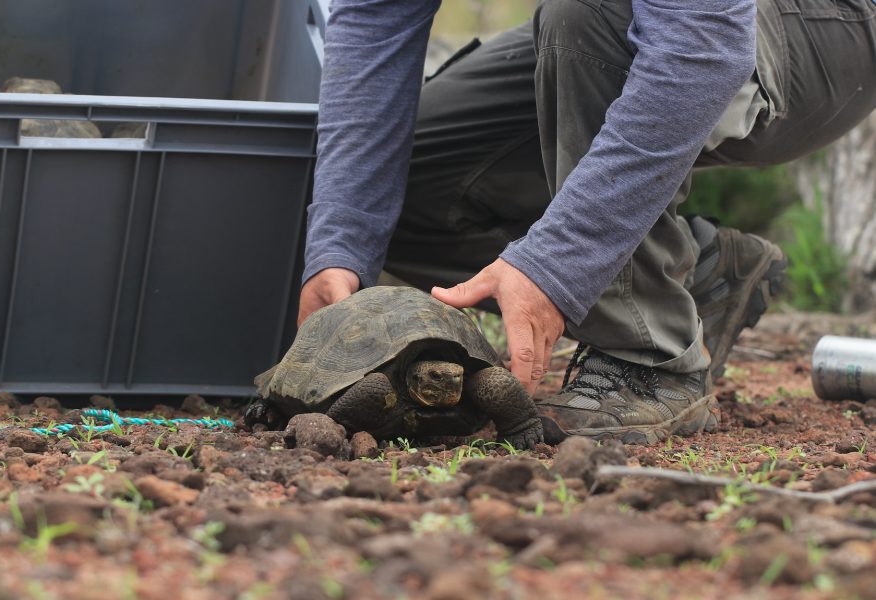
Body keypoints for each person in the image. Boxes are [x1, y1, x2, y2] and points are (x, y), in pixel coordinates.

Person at [287, 0, 876, 443]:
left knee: (591, 15)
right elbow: (375, 19)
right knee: (407, 183)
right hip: (637, 20)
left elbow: (702, 47)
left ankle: (646, 361)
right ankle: (696, 276)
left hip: (808, 26)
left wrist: (557, 266)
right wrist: (341, 241)